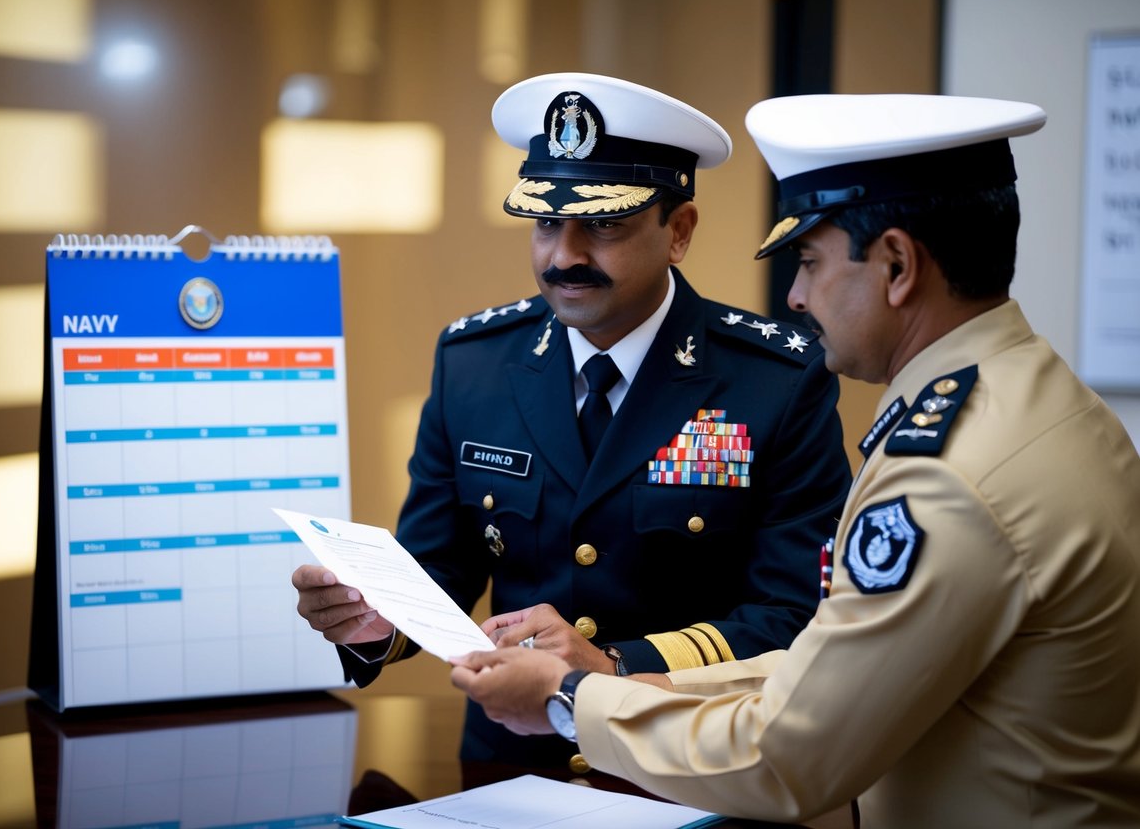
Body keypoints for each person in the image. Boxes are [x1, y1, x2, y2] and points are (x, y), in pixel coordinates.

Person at [449, 93, 1140, 827]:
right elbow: (827, 674)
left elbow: (788, 753)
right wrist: (605, 675)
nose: (797, 296)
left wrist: (568, 703)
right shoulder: (1033, 397)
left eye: (809, 260)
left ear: (898, 265)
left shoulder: (949, 474)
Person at [292, 73, 851, 769]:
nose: (564, 257)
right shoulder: (474, 361)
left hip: (686, 765)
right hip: (505, 769)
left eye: (604, 224)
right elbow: (439, 563)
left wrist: (610, 666)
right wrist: (377, 618)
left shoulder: (774, 379)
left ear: (677, 231)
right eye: (546, 223)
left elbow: (796, 614)